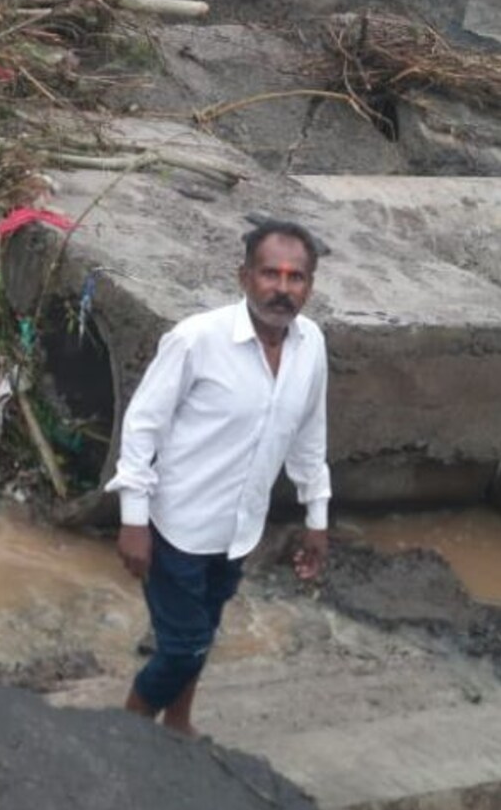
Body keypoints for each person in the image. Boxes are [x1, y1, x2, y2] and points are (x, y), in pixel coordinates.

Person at [105, 218, 331, 737]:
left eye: (296, 277)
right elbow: (142, 426)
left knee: (202, 631)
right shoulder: (196, 340)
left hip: (238, 530)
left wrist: (316, 517)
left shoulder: (310, 345)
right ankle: (126, 734)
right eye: (270, 273)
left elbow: (310, 433)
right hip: (177, 526)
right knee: (185, 646)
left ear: (310, 286)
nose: (282, 288)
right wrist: (133, 521)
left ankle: (179, 723)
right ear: (244, 277)